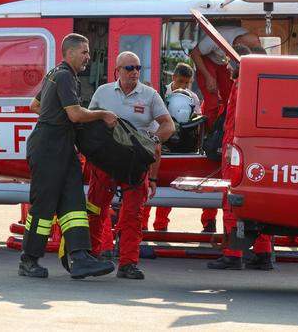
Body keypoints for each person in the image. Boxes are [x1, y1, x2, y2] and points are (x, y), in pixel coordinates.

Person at [20, 33, 118, 279]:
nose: (88, 57)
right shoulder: (63, 76)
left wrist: (54, 114)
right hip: (49, 148)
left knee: (74, 203)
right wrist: (102, 114)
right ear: (70, 53)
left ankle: (80, 257)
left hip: (62, 147)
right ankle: (29, 259)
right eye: (84, 52)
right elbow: (75, 114)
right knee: (43, 206)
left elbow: (35, 105)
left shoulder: (58, 74)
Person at [87, 51, 175, 280]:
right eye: (129, 68)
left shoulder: (150, 95)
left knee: (133, 214)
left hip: (135, 164)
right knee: (96, 209)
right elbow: (88, 120)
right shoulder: (103, 92)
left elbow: (168, 125)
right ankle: (92, 256)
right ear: (117, 71)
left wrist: (153, 140)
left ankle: (128, 263)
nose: (134, 72)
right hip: (105, 161)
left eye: (137, 67)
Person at [207, 44, 274, 271]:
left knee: (231, 201)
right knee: (258, 203)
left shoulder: (242, 85)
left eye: (230, 61)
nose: (227, 65)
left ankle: (232, 253)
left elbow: (236, 122)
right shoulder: (258, 84)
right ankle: (263, 254)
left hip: (235, 149)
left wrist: (229, 149)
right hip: (250, 150)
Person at [142, 63, 216, 232]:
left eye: (186, 83)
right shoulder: (160, 94)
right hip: (161, 143)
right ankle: (143, 225)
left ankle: (161, 225)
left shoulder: (192, 98)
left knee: (166, 187)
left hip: (182, 147)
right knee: (150, 187)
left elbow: (196, 117)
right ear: (173, 78)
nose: (183, 86)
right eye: (181, 81)